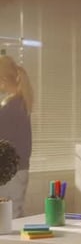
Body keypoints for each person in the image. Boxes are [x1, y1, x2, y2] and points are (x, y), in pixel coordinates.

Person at [0, 55, 33, 218]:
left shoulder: (11, 107)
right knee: (12, 217)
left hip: (11, 173)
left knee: (8, 220)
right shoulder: (18, 102)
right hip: (17, 171)